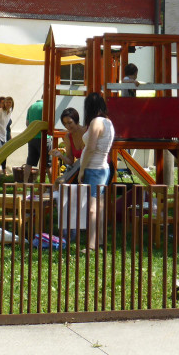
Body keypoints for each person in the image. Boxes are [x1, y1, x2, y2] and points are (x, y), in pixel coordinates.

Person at [78, 92, 115, 251]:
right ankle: (99, 240)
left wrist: (82, 169)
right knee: (99, 206)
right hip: (103, 168)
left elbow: (91, 148)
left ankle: (91, 245)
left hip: (93, 169)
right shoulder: (108, 122)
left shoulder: (96, 122)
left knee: (92, 208)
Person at [25, 97, 49, 173]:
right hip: (44, 137)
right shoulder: (47, 106)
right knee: (48, 164)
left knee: (29, 163)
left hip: (32, 137)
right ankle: (51, 181)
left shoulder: (31, 107)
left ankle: (25, 179)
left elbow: (27, 123)